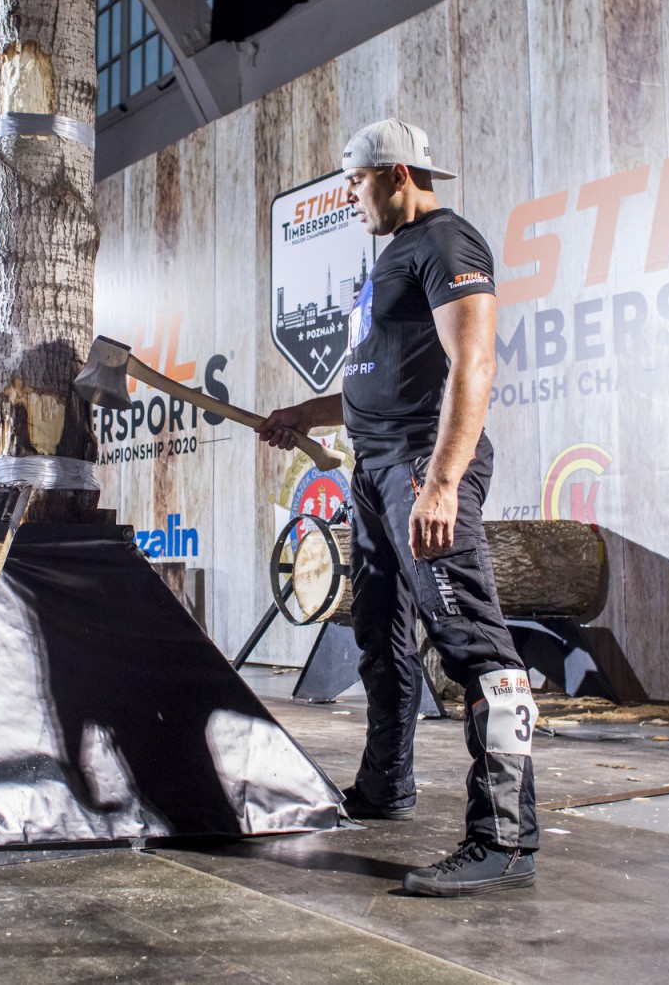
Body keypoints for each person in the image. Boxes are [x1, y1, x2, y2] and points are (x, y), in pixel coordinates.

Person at [258, 118, 539, 897]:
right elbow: (375, 377)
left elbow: (473, 361)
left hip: (420, 467)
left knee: (472, 643)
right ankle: (386, 785)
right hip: (374, 470)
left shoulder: (448, 242)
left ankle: (506, 838)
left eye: (356, 181)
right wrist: (305, 415)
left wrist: (442, 482)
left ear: (397, 173)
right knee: (379, 636)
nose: (350, 196)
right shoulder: (395, 256)